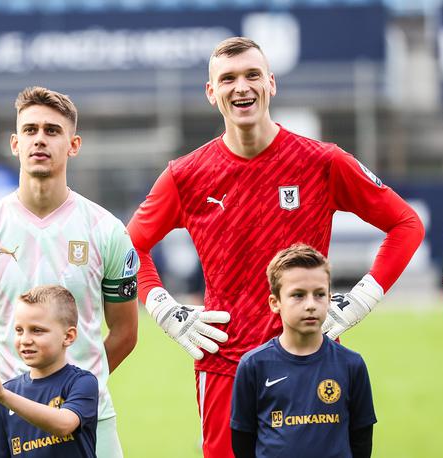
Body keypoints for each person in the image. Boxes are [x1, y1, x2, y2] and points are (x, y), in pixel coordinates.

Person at [127, 36, 423, 457]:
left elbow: (405, 223)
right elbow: (127, 248)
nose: (241, 87)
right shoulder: (186, 175)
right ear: (212, 93)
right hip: (225, 363)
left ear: (271, 83)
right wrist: (163, 309)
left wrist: (360, 300)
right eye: (227, 79)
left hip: (310, 359)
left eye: (252, 75)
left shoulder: (321, 161)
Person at [0, 86, 139, 458]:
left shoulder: (106, 229)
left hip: (86, 418)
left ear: (74, 144)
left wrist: (74, 389)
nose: (40, 139)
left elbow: (126, 332)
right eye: (31, 130)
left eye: (52, 131)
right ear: (15, 143)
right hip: (1, 416)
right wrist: (20, 392)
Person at [231, 244, 376, 458]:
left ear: (330, 298)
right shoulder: (254, 365)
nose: (310, 305)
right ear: (275, 302)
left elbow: (361, 440)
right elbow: (243, 440)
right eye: (298, 295)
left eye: (319, 294)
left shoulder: (351, 364)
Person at [0, 285, 98, 458]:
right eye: (19, 330)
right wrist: (3, 396)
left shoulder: (82, 382)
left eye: (37, 330)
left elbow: (65, 424)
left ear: (68, 336)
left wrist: (3, 396)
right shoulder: (9, 392)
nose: (25, 340)